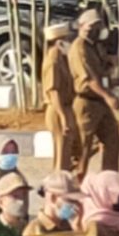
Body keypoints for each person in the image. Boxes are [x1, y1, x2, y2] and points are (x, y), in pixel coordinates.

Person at [70, 10, 119, 176]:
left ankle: (108, 181)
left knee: (112, 138)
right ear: (81, 26)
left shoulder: (95, 46)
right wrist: (108, 96)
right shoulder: (79, 47)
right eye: (91, 26)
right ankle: (75, 182)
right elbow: (88, 79)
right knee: (84, 148)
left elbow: (101, 74)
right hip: (87, 102)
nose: (95, 29)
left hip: (100, 101)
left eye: (97, 25)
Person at [44, 25, 81, 174]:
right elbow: (54, 92)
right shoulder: (53, 61)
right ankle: (57, 185)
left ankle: (63, 181)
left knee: (69, 152)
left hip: (66, 108)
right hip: (58, 110)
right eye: (69, 40)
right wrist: (63, 117)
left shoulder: (63, 59)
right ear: (59, 43)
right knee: (61, 153)